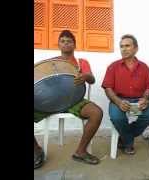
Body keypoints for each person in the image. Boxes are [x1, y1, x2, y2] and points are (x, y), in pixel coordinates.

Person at [34, 30, 103, 168]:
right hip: (49, 102)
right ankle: (36, 150)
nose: (66, 43)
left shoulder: (81, 62)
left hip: (74, 100)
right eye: (63, 41)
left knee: (97, 113)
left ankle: (81, 152)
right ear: (59, 44)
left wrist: (85, 76)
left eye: (69, 41)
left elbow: (92, 79)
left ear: (74, 45)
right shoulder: (51, 62)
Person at [102, 34, 149, 155]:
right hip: (119, 100)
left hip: (138, 101)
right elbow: (107, 88)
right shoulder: (113, 66)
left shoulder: (144, 67)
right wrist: (118, 102)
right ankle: (128, 142)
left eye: (127, 46)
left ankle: (125, 137)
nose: (124, 49)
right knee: (117, 117)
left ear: (136, 48)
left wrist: (146, 99)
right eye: (121, 46)